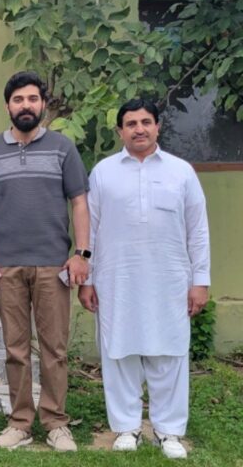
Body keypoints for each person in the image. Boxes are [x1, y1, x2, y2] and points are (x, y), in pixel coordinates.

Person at [79, 98, 209, 460]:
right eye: (131, 123)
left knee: (169, 353)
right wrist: (86, 279)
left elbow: (197, 230)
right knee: (119, 352)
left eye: (146, 122)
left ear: (158, 127)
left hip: (169, 278)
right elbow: (89, 229)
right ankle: (127, 427)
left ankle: (169, 432)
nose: (139, 128)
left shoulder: (181, 172)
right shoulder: (103, 172)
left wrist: (200, 280)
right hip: (116, 279)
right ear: (120, 131)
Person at [0, 72, 88, 452]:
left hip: (53, 264)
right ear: (8, 106)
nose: (26, 105)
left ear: (43, 104)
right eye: (19, 99)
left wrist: (81, 254)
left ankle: (56, 422)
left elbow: (79, 202)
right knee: (16, 348)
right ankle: (20, 422)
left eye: (33, 99)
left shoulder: (62, 148)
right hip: (7, 265)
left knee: (54, 348)